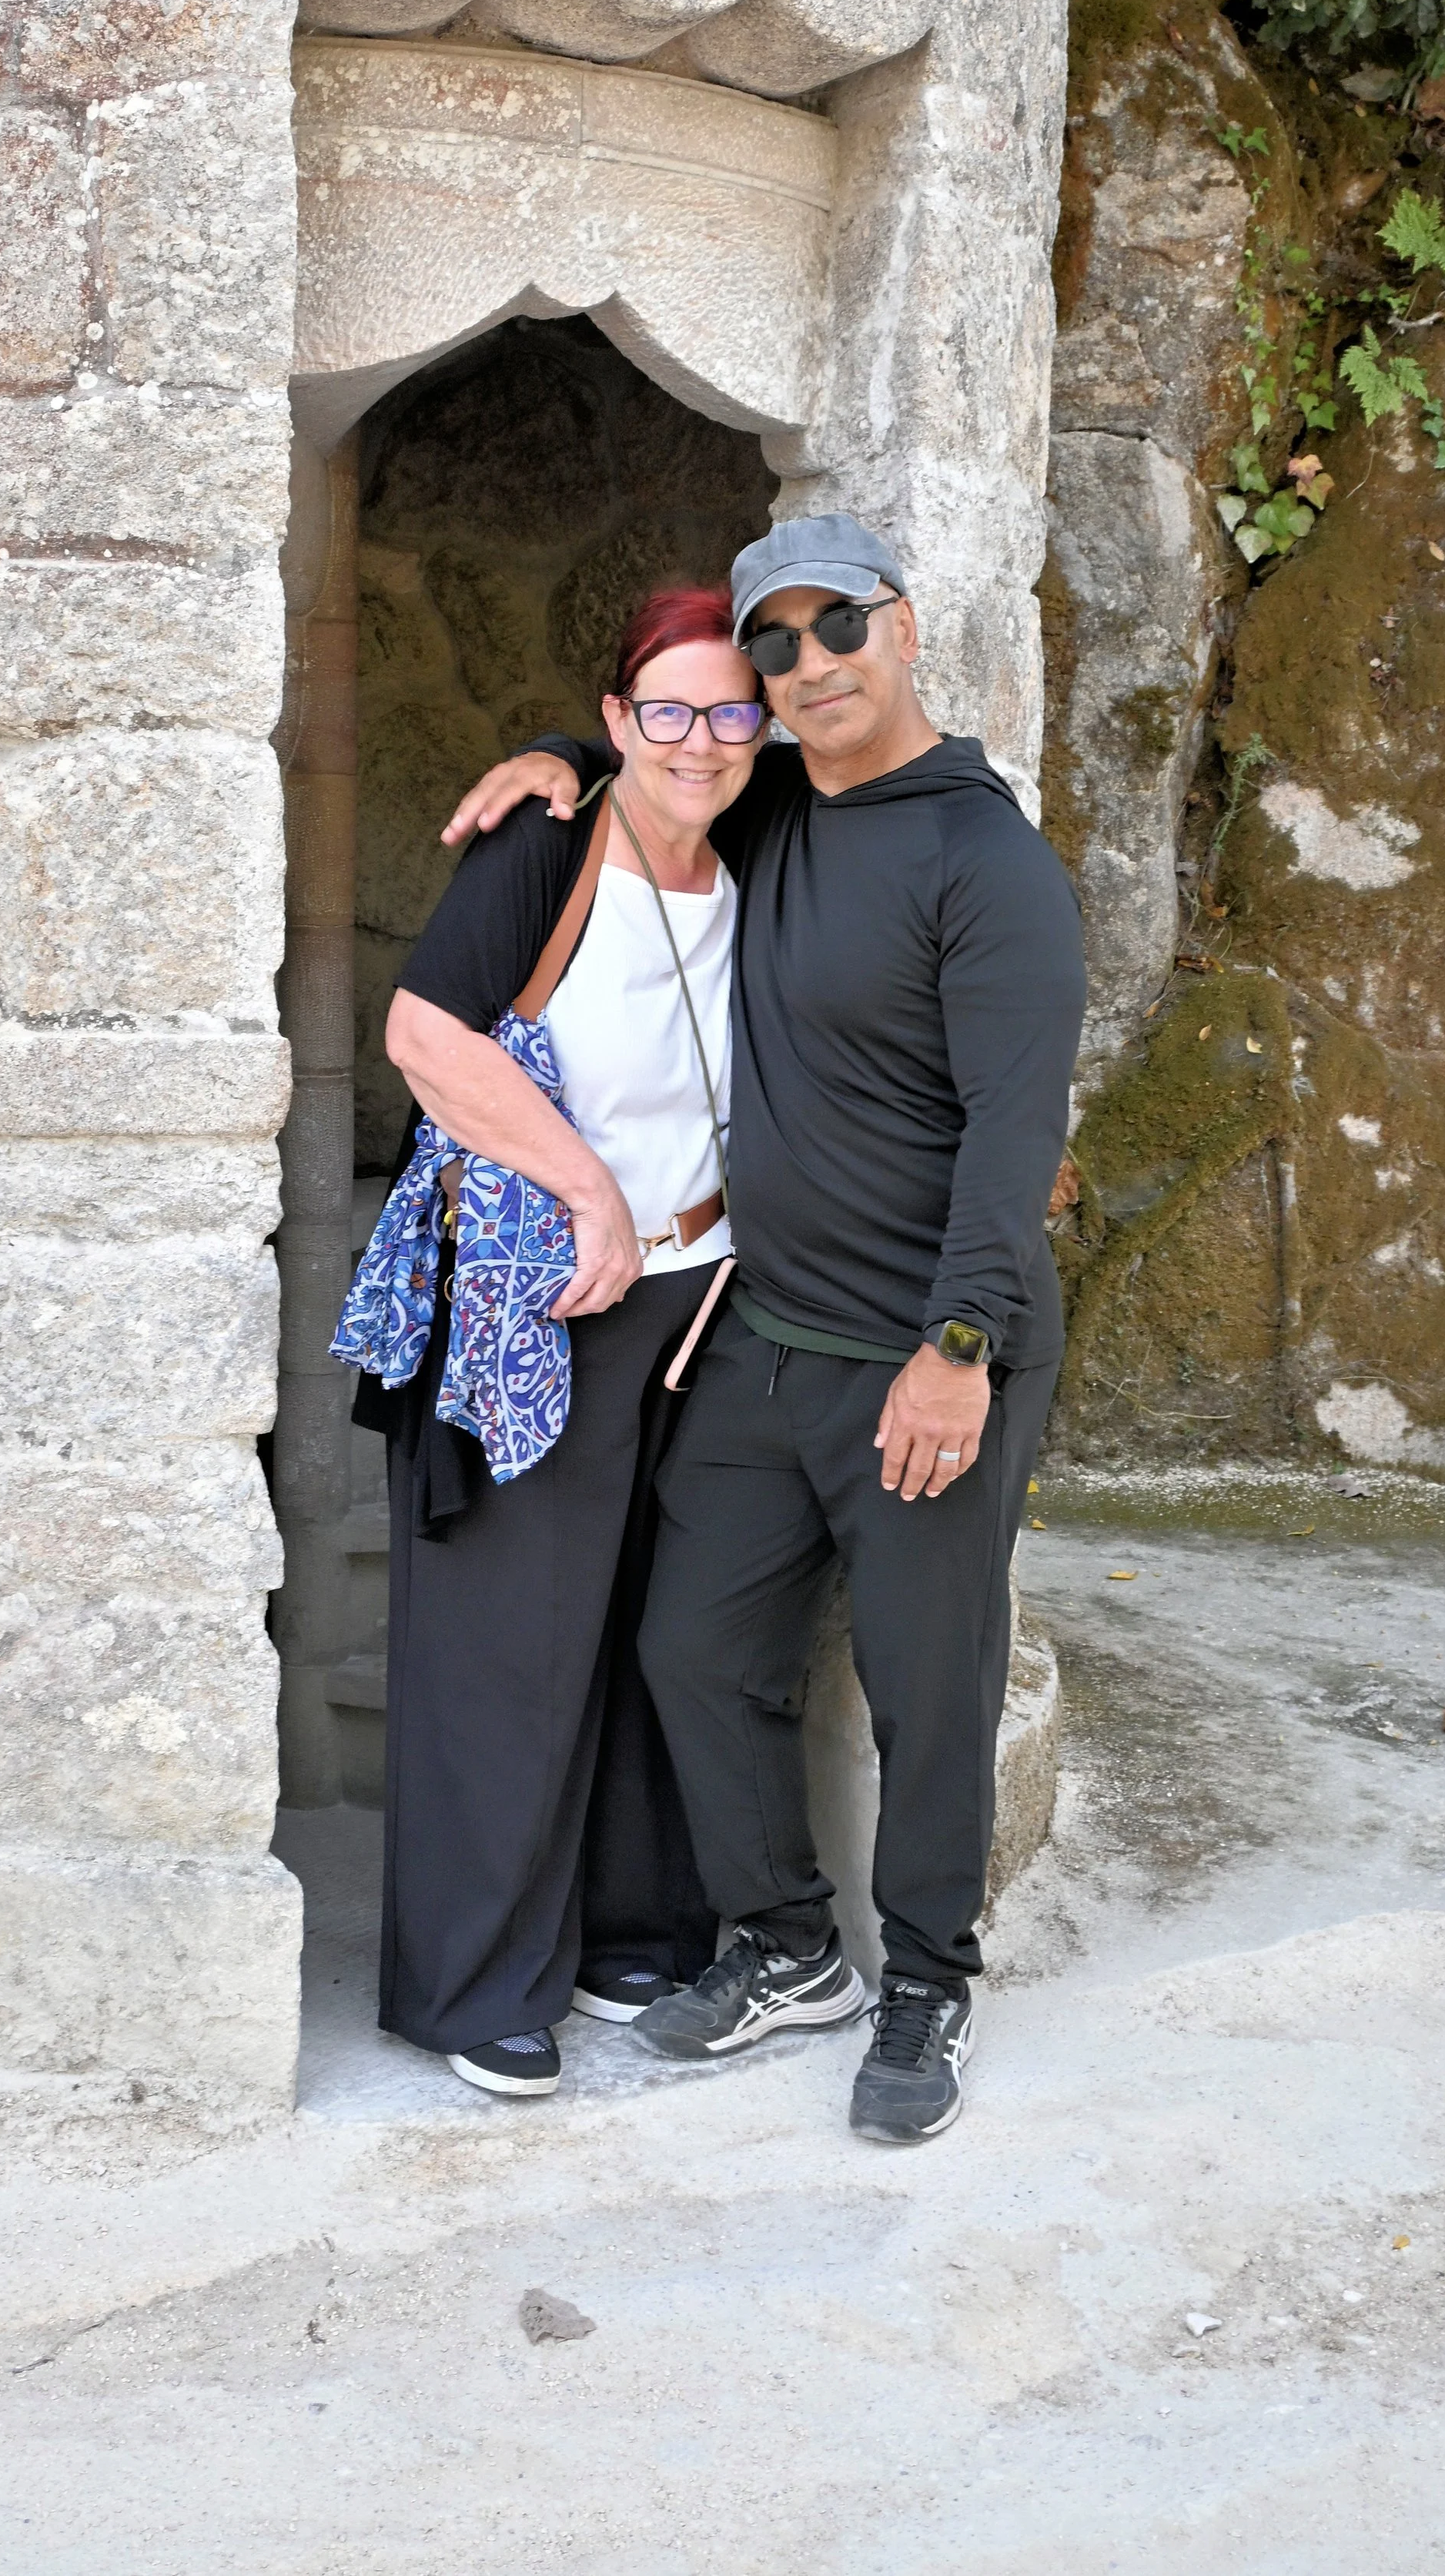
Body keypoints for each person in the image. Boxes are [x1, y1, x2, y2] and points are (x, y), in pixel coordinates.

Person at [440, 514, 1086, 2142]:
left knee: (926, 1679)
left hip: (924, 1350)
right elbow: (662, 751)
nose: (803, 669)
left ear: (904, 628)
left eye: (833, 629)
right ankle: (788, 1942)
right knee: (690, 1646)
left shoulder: (988, 865)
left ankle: (928, 1979)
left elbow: (1016, 1134)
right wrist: (543, 754)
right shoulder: (784, 797)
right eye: (773, 646)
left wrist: (960, 1349)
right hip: (763, 1334)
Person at [346, 585, 767, 2099]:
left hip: (704, 1294)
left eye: (731, 711)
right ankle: (473, 1988)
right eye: (666, 709)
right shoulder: (547, 843)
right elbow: (421, 1037)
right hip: (542, 1297)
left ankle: (628, 1932)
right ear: (613, 723)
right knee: (507, 1648)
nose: (700, 740)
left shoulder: (769, 852)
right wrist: (582, 1186)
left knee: (659, 1631)